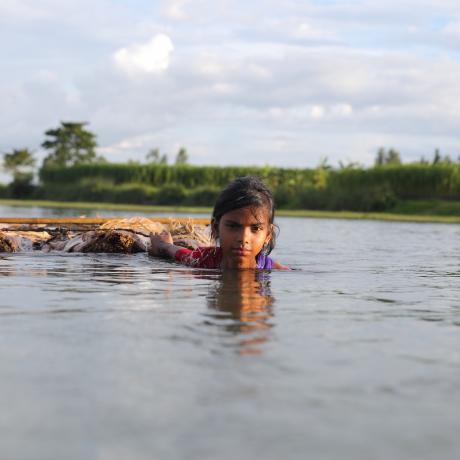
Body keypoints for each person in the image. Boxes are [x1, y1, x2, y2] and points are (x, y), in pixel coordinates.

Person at [149, 176, 287, 269]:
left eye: (255, 228)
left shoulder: (272, 269)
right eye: (233, 226)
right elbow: (182, 254)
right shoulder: (205, 259)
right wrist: (164, 245)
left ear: (268, 234)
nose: (243, 238)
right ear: (215, 228)